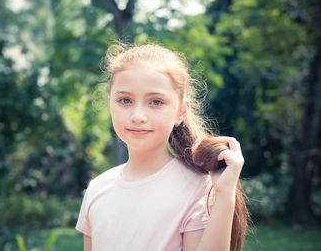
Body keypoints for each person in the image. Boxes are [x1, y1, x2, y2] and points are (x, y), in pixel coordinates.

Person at [76, 43, 247, 251]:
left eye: (156, 102)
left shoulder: (197, 188)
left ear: (181, 111)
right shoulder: (97, 188)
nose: (138, 116)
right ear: (110, 103)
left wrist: (225, 194)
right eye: (125, 100)